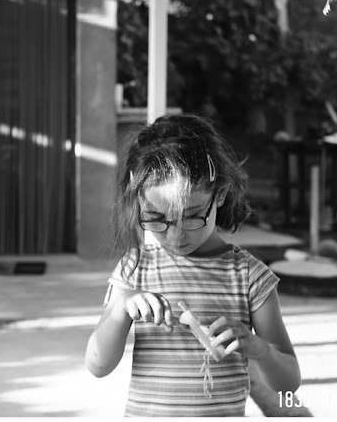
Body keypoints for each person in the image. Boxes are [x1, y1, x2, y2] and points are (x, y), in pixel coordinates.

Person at [84, 114, 300, 417]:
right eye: (157, 218)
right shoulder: (135, 269)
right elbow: (97, 364)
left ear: (220, 194)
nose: (175, 235)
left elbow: (288, 384)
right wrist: (121, 306)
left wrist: (257, 348)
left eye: (191, 215)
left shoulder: (250, 277)